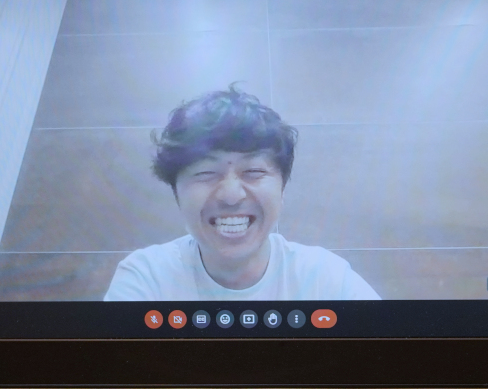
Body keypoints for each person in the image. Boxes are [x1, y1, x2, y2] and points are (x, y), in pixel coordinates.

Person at [103, 86, 380, 301]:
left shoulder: (325, 279)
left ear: (282, 188)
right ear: (177, 193)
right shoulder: (147, 278)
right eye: (205, 173)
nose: (231, 195)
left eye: (254, 172)